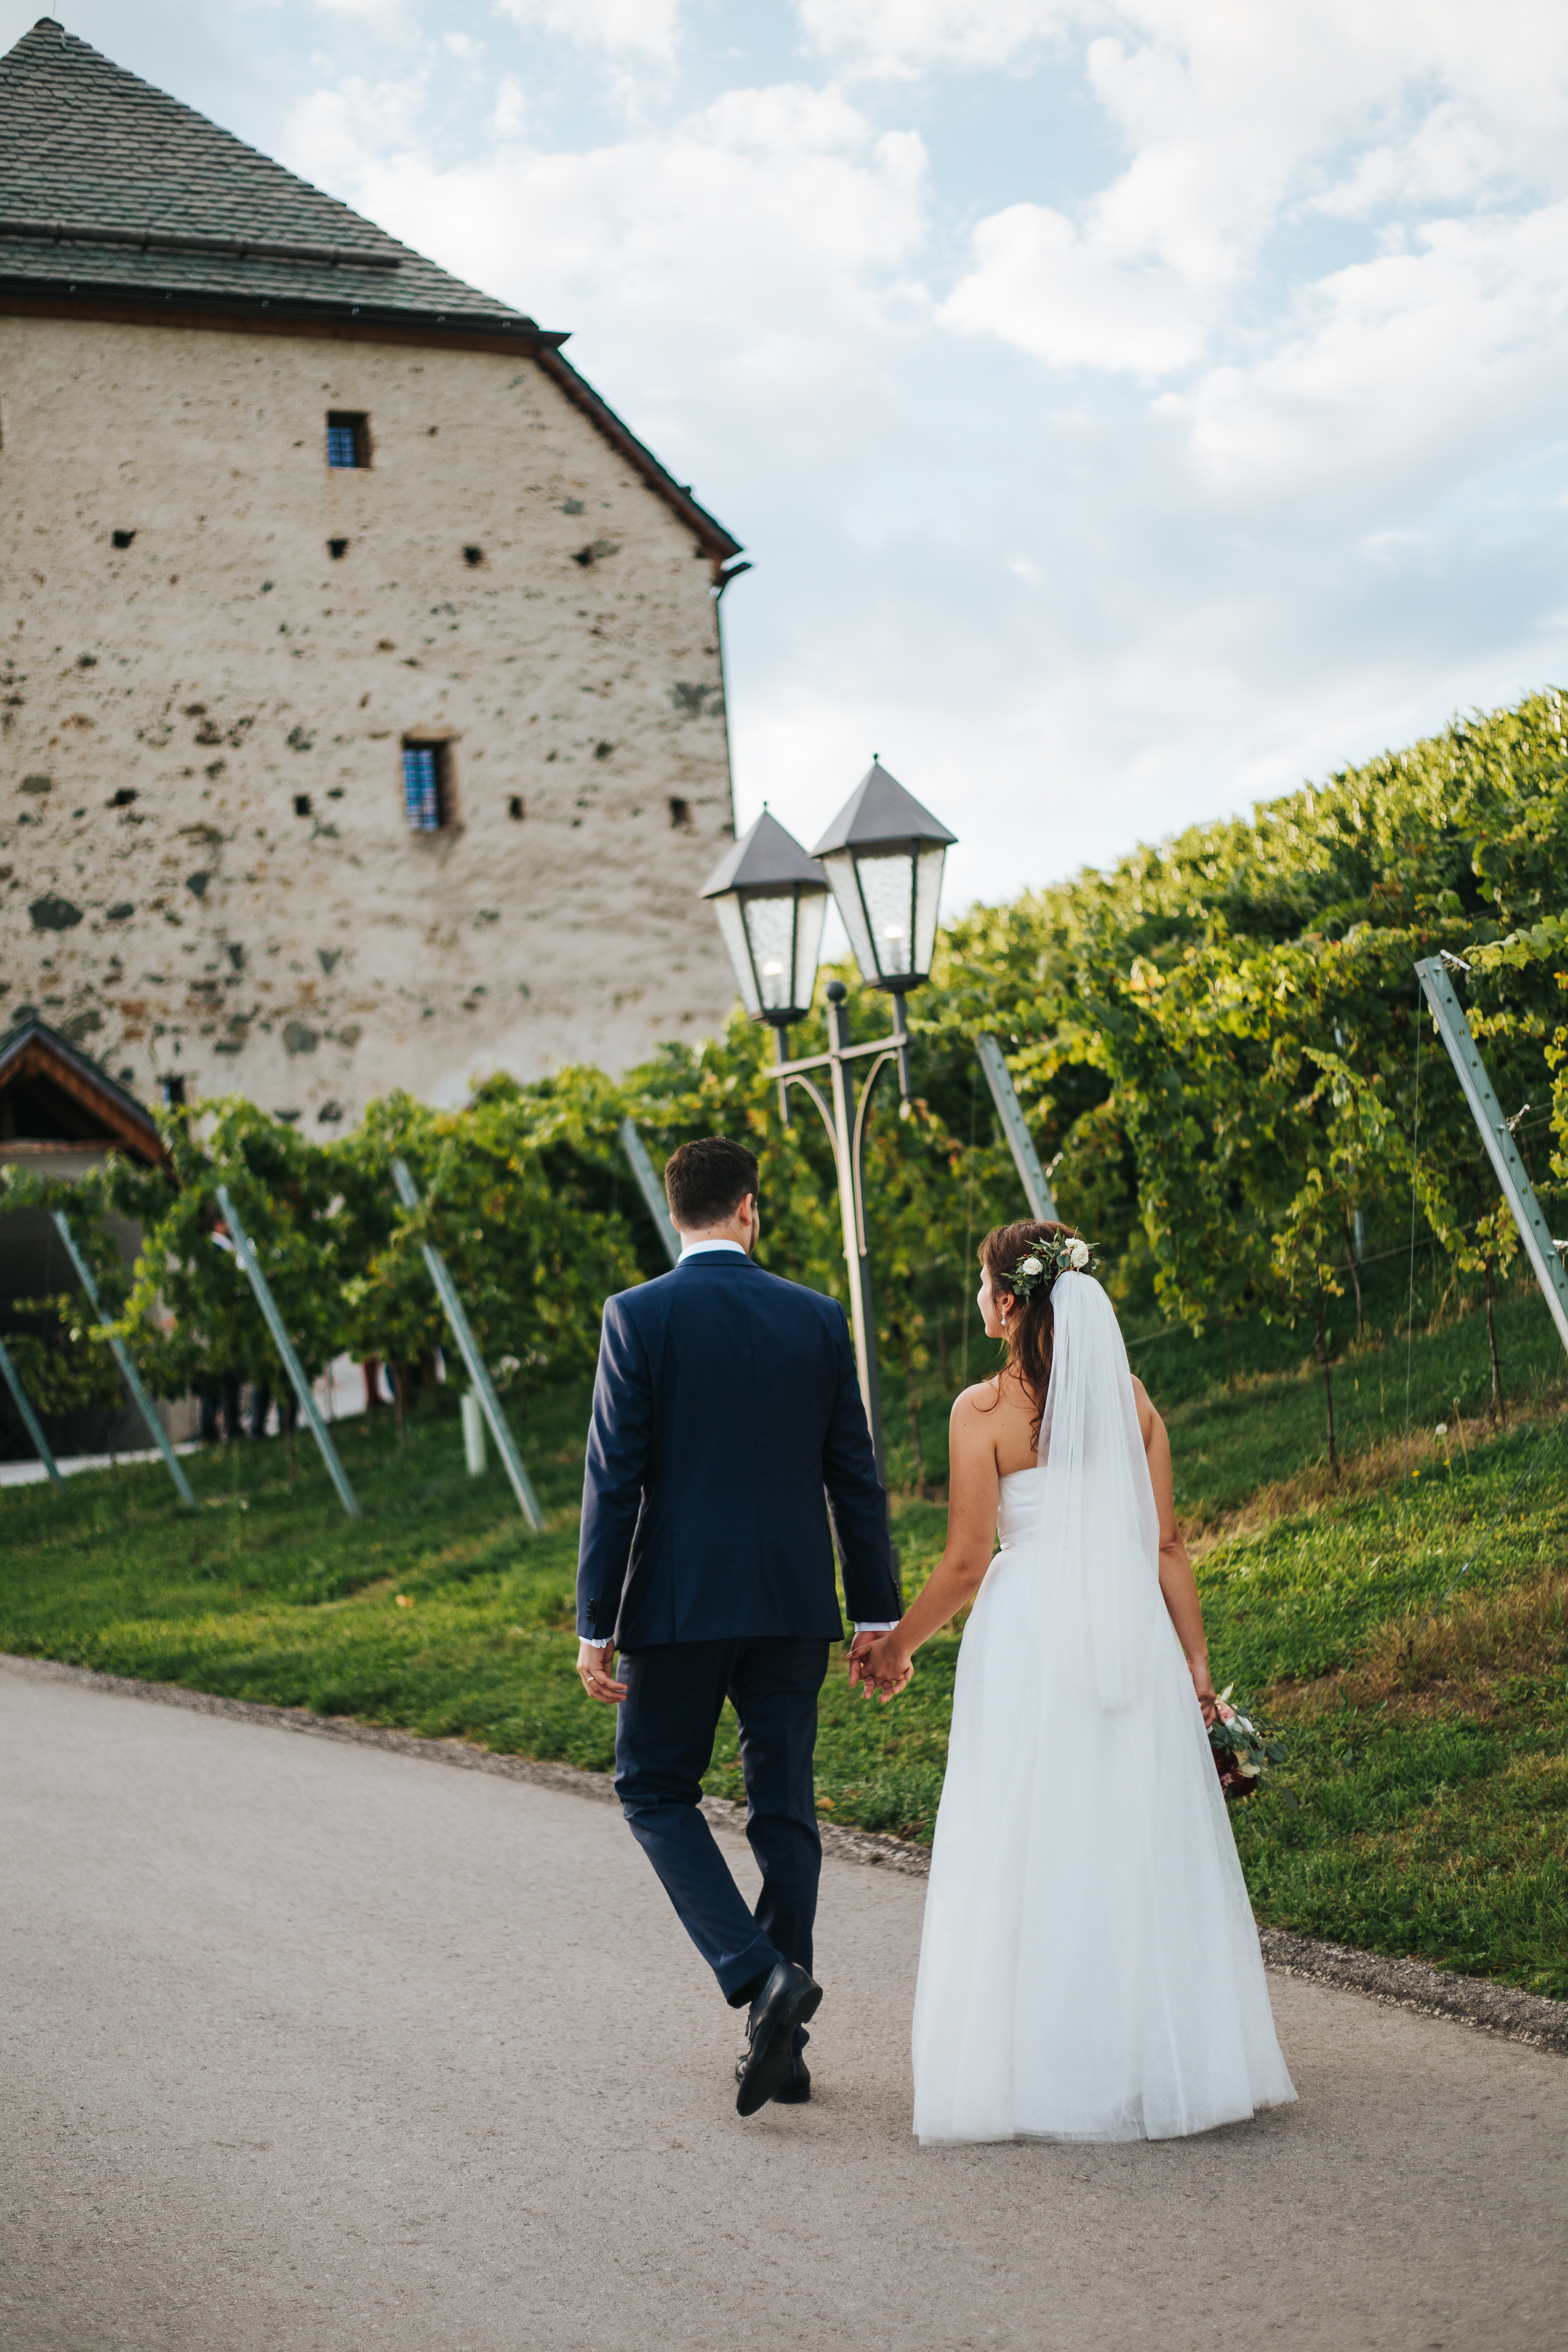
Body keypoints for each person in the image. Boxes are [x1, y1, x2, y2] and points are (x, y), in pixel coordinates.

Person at [863, 1219, 1297, 2145]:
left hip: (1027, 1640)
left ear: (1010, 1303)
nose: (978, 1300)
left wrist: (898, 1646)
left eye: (982, 1286)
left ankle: (1044, 2063)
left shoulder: (980, 1413)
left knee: (1031, 1837)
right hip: (1127, 1632)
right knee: (1128, 1832)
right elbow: (1168, 1544)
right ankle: (1157, 2056)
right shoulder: (1131, 1400)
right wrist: (1197, 1668)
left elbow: (969, 1564)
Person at [576, 1136, 902, 2116]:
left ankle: (756, 1973)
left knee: (652, 1789)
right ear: (750, 1209)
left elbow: (614, 1481)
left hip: (676, 1607)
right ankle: (784, 2043)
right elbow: (855, 1474)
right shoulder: (816, 1316)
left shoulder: (638, 1315)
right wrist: (875, 1611)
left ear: (676, 1214)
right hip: (796, 1605)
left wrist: (596, 1623)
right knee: (785, 1812)